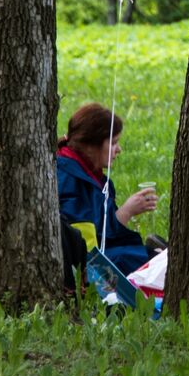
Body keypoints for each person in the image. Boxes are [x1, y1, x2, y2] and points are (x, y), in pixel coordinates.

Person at [55, 103, 158, 274]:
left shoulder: (90, 173)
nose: (119, 149)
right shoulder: (67, 179)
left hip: (103, 258)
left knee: (156, 258)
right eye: (113, 143)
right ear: (90, 145)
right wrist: (126, 211)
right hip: (88, 271)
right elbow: (89, 246)